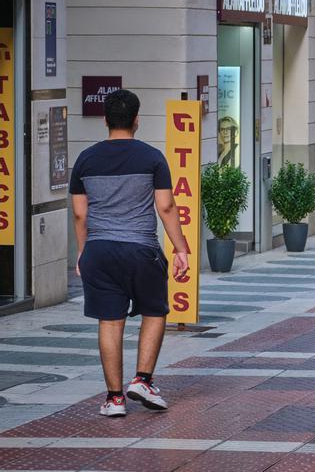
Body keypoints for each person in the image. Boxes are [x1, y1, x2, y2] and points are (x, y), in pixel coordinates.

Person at [70, 89, 190, 417]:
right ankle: (143, 380)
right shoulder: (151, 158)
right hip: (141, 249)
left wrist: (83, 251)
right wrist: (181, 249)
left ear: (105, 120)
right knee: (154, 311)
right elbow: (165, 206)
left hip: (100, 250)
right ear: (137, 120)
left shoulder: (85, 160)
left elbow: (80, 214)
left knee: (110, 322)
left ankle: (114, 399)